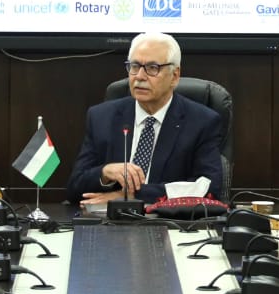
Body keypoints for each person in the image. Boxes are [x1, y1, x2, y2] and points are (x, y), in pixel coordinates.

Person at [65, 31, 223, 204]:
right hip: (109, 218)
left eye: (152, 68)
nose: (139, 76)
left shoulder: (202, 122)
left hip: (166, 218)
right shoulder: (101, 117)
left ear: (174, 76)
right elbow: (74, 188)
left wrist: (132, 196)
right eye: (134, 66)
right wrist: (105, 173)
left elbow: (209, 188)